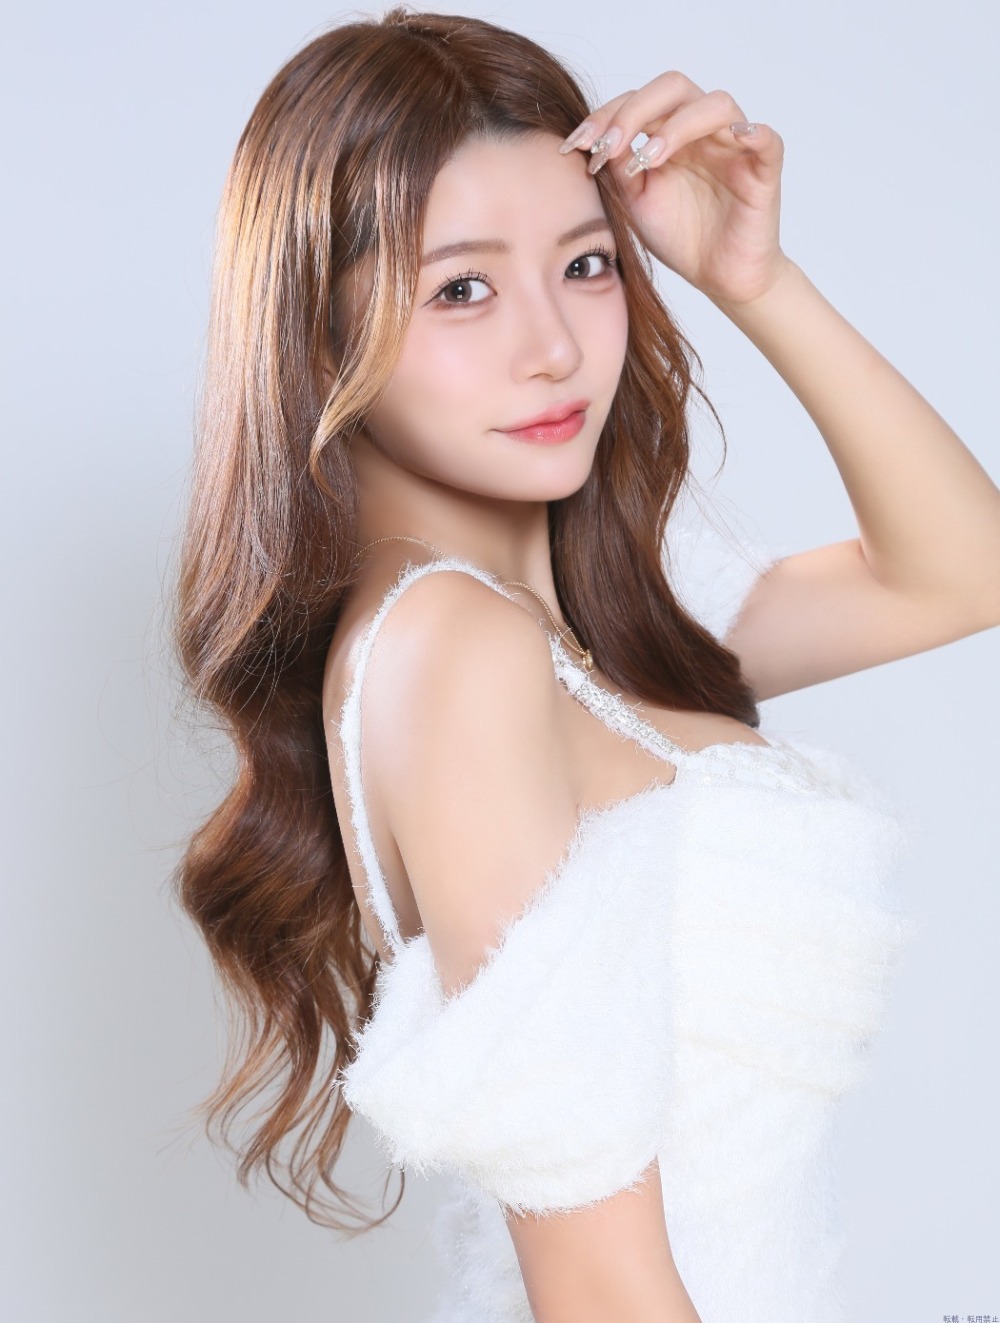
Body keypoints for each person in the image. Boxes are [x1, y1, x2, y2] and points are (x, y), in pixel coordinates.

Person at [169, 7, 1000, 1322]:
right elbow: (597, 1282)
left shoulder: (588, 629)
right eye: (462, 288)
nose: (554, 346)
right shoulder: (456, 649)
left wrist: (752, 278)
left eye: (588, 264)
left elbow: (962, 573)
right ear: (319, 332)